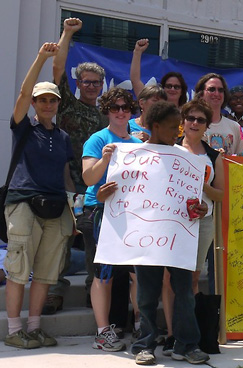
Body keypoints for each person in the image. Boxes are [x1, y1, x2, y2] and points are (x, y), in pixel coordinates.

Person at [104, 101, 208, 365]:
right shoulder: (131, 155)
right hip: (145, 238)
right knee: (146, 294)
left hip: (178, 238)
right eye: (174, 127)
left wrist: (201, 208)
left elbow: (194, 200)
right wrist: (105, 192)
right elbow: (113, 192)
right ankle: (144, 344)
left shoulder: (187, 158)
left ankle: (187, 344)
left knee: (184, 291)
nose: (179, 131)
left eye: (180, 126)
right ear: (156, 126)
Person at [3, 42, 73, 349]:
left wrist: (73, 205)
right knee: (20, 270)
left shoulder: (63, 137)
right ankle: (14, 329)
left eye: (52, 100)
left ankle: (34, 328)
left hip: (57, 206)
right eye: (42, 100)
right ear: (34, 103)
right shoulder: (24, 128)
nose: (47, 104)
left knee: (46, 272)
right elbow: (21, 94)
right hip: (23, 202)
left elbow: (66, 174)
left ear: (57, 104)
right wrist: (41, 58)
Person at [47, 17, 109, 314]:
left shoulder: (106, 118)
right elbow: (57, 67)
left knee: (91, 244)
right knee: (61, 240)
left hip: (94, 189)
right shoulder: (67, 104)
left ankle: (91, 291)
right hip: (65, 184)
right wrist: (67, 33)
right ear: (78, 84)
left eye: (97, 83)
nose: (92, 87)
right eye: (87, 82)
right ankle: (55, 291)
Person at [158, 99, 224, 356]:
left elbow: (221, 195)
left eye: (201, 120)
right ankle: (173, 335)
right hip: (171, 221)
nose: (195, 123)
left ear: (207, 126)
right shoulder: (168, 149)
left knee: (194, 277)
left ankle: (189, 334)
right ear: (182, 122)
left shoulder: (213, 156)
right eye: (191, 118)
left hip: (202, 221)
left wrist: (203, 185)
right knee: (168, 278)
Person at [82, 87, 142, 352]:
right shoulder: (97, 139)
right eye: (115, 107)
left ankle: (141, 324)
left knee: (138, 273)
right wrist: (105, 159)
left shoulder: (141, 144)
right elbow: (88, 179)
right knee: (103, 275)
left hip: (134, 215)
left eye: (125, 108)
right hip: (101, 213)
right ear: (106, 110)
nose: (120, 112)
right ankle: (103, 332)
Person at [195, 73, 243, 156]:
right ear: (201, 94)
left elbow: (241, 161)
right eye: (212, 89)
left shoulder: (235, 127)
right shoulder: (193, 124)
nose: (216, 94)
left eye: (220, 90)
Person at [130, 38, 188, 108]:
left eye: (176, 87)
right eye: (169, 86)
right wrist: (137, 52)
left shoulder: (187, 113)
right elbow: (135, 81)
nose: (172, 89)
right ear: (163, 88)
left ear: (182, 91)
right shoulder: (153, 107)